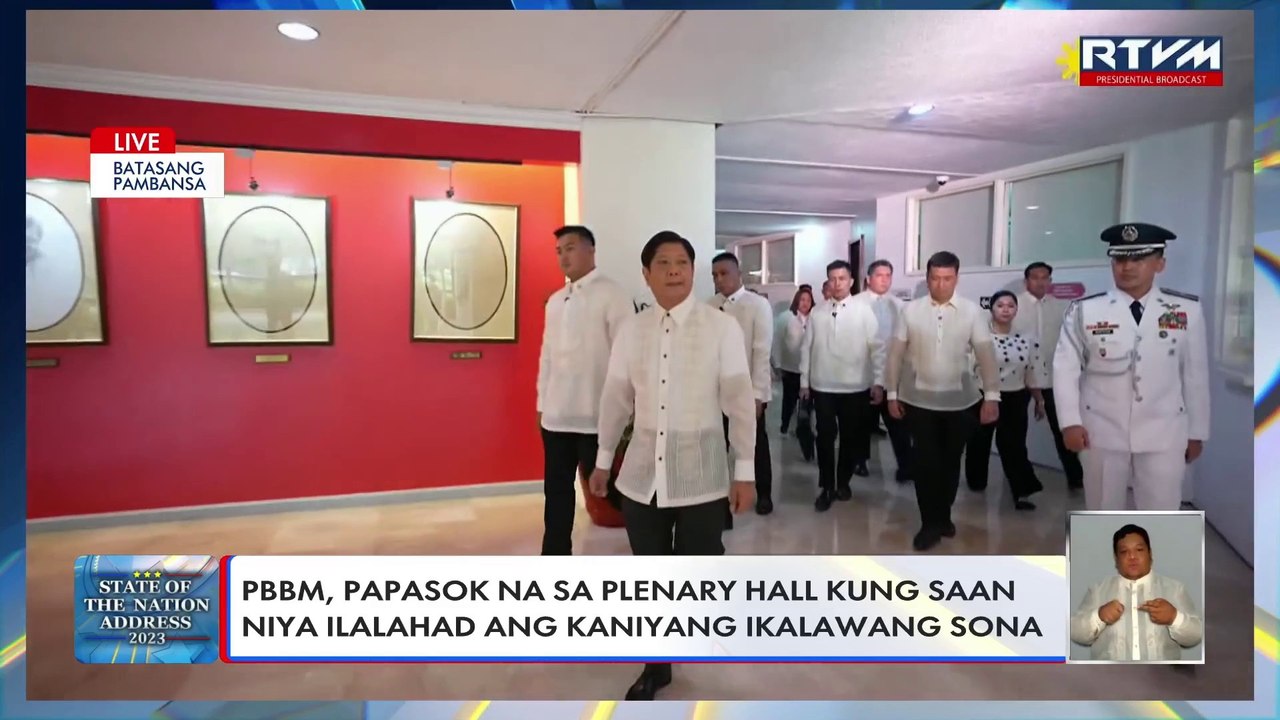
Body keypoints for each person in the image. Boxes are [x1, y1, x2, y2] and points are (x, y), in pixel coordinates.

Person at [590, 230, 756, 701]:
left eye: (682, 262)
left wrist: (744, 472)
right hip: (643, 475)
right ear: (646, 274)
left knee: (696, 565)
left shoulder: (720, 327)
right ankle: (655, 663)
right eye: (662, 264)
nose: (674, 271)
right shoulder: (632, 330)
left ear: (693, 270)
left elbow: (739, 403)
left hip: (701, 473)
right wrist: (604, 460)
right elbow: (616, 398)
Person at [1053, 223, 1209, 511]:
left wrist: (1197, 431)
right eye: (1119, 259)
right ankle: (1101, 557)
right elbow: (1065, 369)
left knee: (1161, 510)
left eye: (1138, 259)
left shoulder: (1186, 310)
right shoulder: (1085, 310)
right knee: (1102, 509)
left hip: (1165, 431)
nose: (1127, 267)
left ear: (1159, 263)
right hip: (1100, 430)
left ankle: (1159, 557)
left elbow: (1195, 374)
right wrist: (1070, 422)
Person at [885, 251, 1000, 551]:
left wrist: (992, 396)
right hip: (918, 401)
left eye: (947, 278)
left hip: (959, 403)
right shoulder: (910, 311)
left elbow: (986, 355)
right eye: (935, 278)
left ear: (957, 278)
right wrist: (892, 393)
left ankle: (944, 516)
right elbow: (896, 354)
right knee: (925, 465)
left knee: (950, 464)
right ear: (927, 279)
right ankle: (929, 524)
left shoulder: (972, 312)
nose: (941, 284)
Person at [536, 226, 634, 555]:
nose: (564, 256)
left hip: (597, 417)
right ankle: (554, 554)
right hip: (557, 418)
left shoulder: (612, 294)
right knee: (558, 492)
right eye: (559, 251)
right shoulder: (555, 301)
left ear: (591, 251)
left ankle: (652, 545)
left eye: (571, 248)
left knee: (614, 492)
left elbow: (627, 354)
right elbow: (547, 356)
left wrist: (626, 407)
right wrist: (542, 403)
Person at [800, 260, 884, 512]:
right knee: (824, 437)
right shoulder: (818, 312)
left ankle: (843, 482)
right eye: (832, 279)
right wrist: (804, 381)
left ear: (850, 281)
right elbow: (807, 348)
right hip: (823, 385)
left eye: (842, 279)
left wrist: (878, 381)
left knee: (851, 438)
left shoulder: (863, 310)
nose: (837, 284)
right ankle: (827, 486)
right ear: (827, 282)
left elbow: (877, 348)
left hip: (855, 387)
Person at [1070, 523, 1203, 661]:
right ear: (1116, 559)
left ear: (1150, 554)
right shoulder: (1098, 590)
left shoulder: (1175, 589)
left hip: (1162, 679)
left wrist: (1174, 618)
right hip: (1109, 678)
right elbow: (1074, 632)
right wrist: (1098, 616)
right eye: (1124, 552)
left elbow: (1196, 635)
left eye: (1139, 550)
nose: (1132, 556)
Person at [963, 290, 1045, 509]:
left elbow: (1032, 371)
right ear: (991, 309)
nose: (1006, 309)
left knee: (1014, 445)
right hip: (983, 395)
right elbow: (968, 369)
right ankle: (976, 482)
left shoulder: (1028, 338)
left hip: (1016, 397)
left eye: (1010, 305)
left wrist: (1039, 399)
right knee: (979, 442)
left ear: (1016, 310)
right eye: (1000, 305)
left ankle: (1022, 491)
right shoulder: (980, 338)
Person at [710, 252, 776, 515]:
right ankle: (720, 497)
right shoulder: (709, 306)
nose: (719, 279)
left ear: (738, 274)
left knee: (755, 443)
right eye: (714, 275)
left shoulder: (757, 305)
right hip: (715, 392)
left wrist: (758, 394)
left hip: (748, 390)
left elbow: (761, 352)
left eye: (724, 273)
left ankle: (765, 494)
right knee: (719, 445)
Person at [1012, 261, 1082, 491]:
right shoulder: (1013, 305)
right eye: (1035, 277)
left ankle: (1076, 478)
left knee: (1062, 428)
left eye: (1045, 278)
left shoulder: (1060, 307)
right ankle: (1019, 478)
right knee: (1015, 433)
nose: (1040, 282)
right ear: (1026, 281)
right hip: (1019, 378)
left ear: (1050, 281)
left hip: (1051, 378)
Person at [852, 259, 913, 483]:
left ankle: (906, 467)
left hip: (891, 375)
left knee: (898, 423)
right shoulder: (855, 303)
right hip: (863, 373)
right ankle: (860, 461)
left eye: (888, 275)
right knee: (862, 423)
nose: (885, 279)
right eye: (880, 275)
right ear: (868, 278)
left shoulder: (900, 305)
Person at [774, 286, 815, 442]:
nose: (805, 303)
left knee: (807, 403)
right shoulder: (786, 318)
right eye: (802, 299)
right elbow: (777, 342)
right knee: (789, 400)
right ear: (797, 300)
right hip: (790, 368)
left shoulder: (815, 317)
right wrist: (777, 364)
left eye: (808, 300)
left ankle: (803, 429)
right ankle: (784, 427)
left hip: (809, 369)